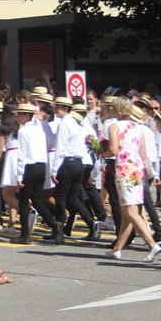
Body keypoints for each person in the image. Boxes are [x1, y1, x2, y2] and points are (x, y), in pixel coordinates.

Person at [104, 100, 161, 260]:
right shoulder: (138, 127)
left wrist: (101, 152)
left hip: (124, 168)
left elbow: (113, 149)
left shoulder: (114, 126)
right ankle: (117, 248)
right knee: (128, 210)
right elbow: (143, 153)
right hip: (137, 168)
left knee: (130, 209)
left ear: (116, 110)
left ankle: (152, 244)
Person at [11, 103, 61, 245]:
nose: (18, 116)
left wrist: (19, 176)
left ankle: (25, 234)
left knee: (23, 201)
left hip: (30, 167)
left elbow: (22, 155)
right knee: (37, 199)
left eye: (20, 114)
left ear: (27, 115)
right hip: (41, 166)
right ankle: (54, 224)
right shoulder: (39, 130)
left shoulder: (23, 131)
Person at [51, 96, 99, 241]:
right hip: (79, 162)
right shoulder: (76, 123)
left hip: (68, 162)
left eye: (58, 107)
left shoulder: (64, 123)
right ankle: (92, 222)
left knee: (61, 197)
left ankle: (59, 232)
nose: (56, 109)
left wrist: (54, 170)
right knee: (73, 197)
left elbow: (61, 147)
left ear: (64, 108)